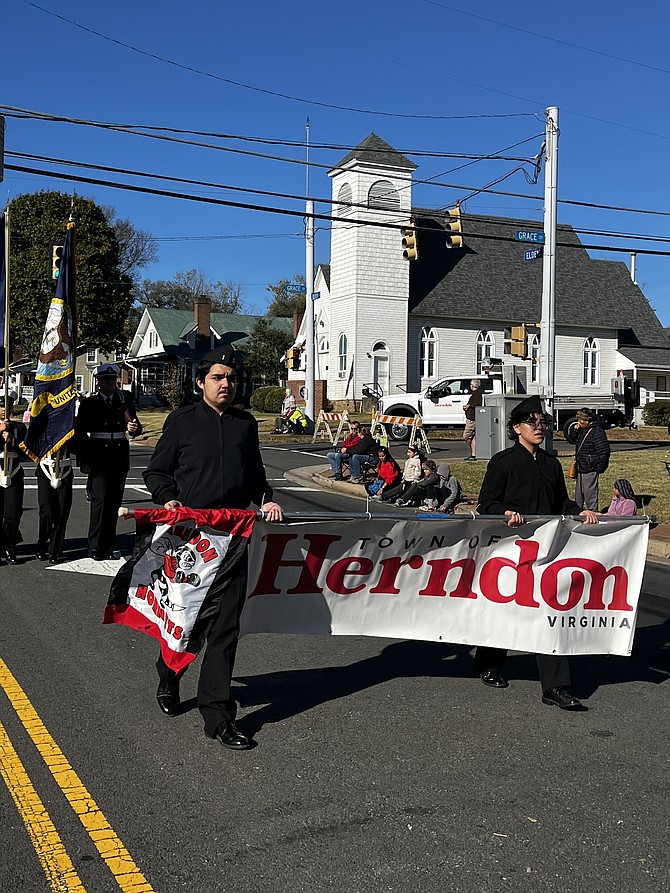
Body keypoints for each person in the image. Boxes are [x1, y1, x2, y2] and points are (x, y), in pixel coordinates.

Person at [143, 345, 283, 752]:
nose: (226, 384)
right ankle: (169, 675)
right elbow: (157, 470)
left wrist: (267, 498)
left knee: (225, 627)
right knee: (188, 622)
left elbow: (256, 474)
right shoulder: (182, 421)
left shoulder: (245, 424)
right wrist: (167, 497)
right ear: (201, 382)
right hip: (191, 541)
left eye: (231, 378)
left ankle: (217, 713)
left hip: (235, 540)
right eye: (218, 378)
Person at [475, 394, 599, 711]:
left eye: (542, 421)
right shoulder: (503, 463)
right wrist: (504, 513)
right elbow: (486, 504)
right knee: (506, 610)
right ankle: (489, 662)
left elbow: (561, 504)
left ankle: (555, 687)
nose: (539, 427)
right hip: (512, 551)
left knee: (550, 614)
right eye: (532, 422)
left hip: (548, 551)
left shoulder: (552, 464)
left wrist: (580, 511)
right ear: (517, 427)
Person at [75, 363, 142, 560]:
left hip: (119, 454)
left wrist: (134, 428)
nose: (111, 382)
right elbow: (80, 433)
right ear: (98, 382)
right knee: (100, 502)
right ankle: (95, 545)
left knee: (114, 503)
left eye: (113, 379)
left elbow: (136, 427)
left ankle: (108, 545)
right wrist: (84, 460)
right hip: (98, 455)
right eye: (106, 379)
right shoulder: (90, 403)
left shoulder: (124, 400)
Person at [567, 408, 610, 511]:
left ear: (587, 421)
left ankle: (592, 512)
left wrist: (599, 467)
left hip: (590, 466)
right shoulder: (583, 429)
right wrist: (576, 430)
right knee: (579, 494)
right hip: (581, 466)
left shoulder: (597, 431)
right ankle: (578, 511)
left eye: (581, 421)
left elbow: (604, 451)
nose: (579, 423)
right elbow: (573, 439)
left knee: (590, 494)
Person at [0, 394, 26, 565]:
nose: (3, 411)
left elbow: (28, 450)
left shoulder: (19, 427)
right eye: (1, 408)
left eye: (6, 407)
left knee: (12, 513)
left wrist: (13, 440)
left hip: (14, 471)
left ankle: (8, 545)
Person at [35, 451, 74, 563]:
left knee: (61, 513)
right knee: (46, 511)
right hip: (45, 467)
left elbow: (80, 443)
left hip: (64, 468)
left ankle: (55, 550)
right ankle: (42, 542)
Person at [462, 379, 482, 461]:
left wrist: (469, 406)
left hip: (472, 420)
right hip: (470, 418)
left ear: (473, 386)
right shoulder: (475, 394)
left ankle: (475, 451)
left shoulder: (477, 394)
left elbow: (477, 403)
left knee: (466, 436)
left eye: (470, 384)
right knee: (473, 437)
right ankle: (474, 454)